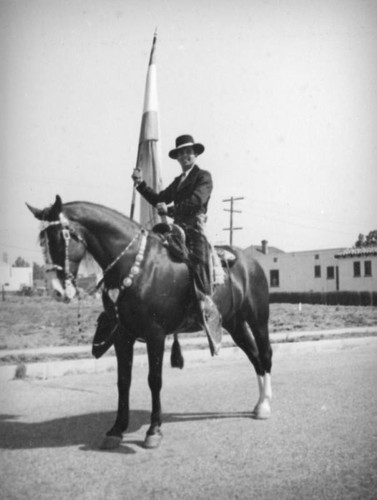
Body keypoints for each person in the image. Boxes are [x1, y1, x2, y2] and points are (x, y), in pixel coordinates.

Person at [132, 134, 222, 348]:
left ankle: (205, 306)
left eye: (188, 152)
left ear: (195, 154)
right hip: (176, 228)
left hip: (194, 229)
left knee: (198, 261)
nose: (184, 156)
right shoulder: (179, 180)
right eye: (180, 154)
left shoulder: (203, 177)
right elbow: (160, 198)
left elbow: (196, 201)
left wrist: (170, 209)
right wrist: (140, 184)